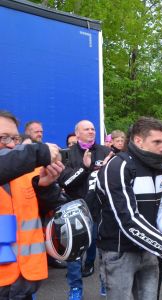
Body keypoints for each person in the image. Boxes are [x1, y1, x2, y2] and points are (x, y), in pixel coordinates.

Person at [95, 117, 162, 300]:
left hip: (149, 249)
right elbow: (127, 219)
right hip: (120, 251)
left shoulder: (159, 167)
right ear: (138, 141)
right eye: (157, 142)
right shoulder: (117, 167)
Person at [0, 110, 66, 299]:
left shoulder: (26, 172)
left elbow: (49, 209)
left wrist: (45, 186)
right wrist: (39, 151)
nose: (11, 144)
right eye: (3, 138)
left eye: (14, 138)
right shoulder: (18, 163)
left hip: (26, 280)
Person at [57, 120, 112, 299]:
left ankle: (105, 283)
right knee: (74, 254)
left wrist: (108, 167)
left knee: (103, 250)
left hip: (100, 209)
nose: (91, 131)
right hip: (75, 211)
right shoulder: (67, 154)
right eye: (86, 129)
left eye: (93, 129)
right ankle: (75, 288)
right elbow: (65, 182)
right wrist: (84, 168)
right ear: (77, 133)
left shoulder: (105, 152)